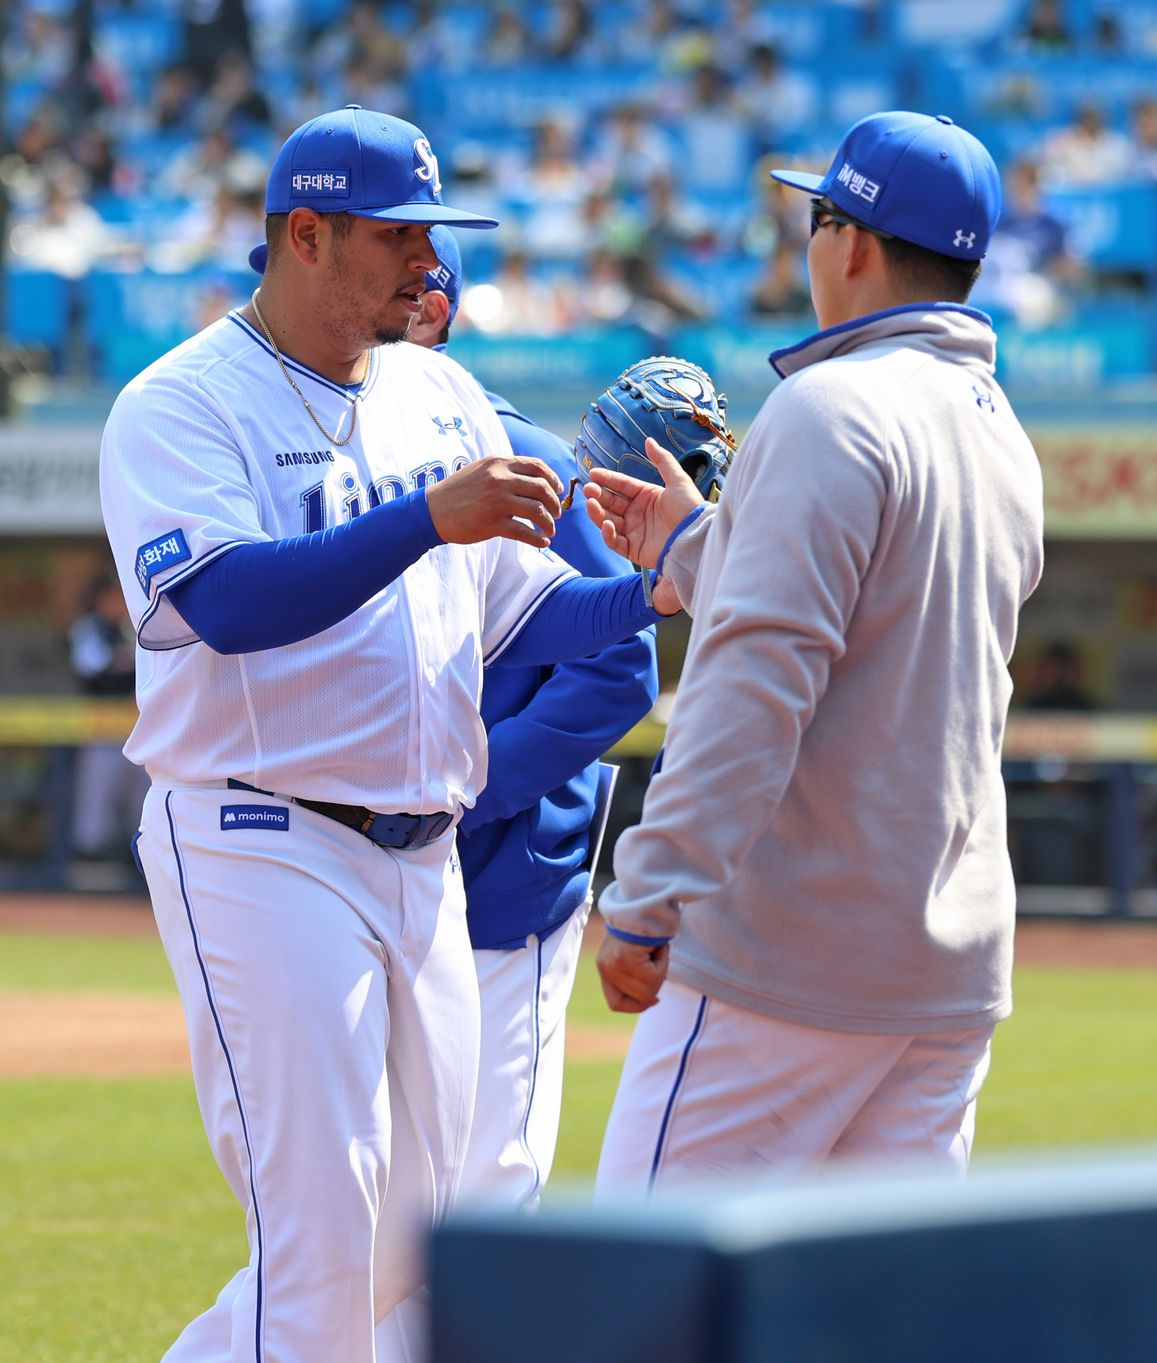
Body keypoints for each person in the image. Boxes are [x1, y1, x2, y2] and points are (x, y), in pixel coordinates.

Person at [99, 106, 693, 1362]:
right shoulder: (179, 403)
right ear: (305, 234)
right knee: (324, 1239)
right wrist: (426, 517)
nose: (428, 259)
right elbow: (226, 602)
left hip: (423, 861)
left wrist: (651, 591)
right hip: (264, 835)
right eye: (397, 233)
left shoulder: (438, 390)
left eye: (433, 232)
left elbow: (528, 612)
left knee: (419, 1240)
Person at [584, 111, 1044, 1189]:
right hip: (942, 975)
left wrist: (650, 890)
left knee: (645, 1283)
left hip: (786, 962)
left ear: (852, 242)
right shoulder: (997, 429)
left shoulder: (830, 405)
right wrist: (696, 546)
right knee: (867, 1289)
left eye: (816, 219)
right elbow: (878, 632)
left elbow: (755, 680)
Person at [403, 228, 661, 1209]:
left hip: (505, 870)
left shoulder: (525, 458)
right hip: (366, 866)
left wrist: (467, 789)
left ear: (430, 310)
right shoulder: (331, 456)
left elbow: (620, 666)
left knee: (486, 1189)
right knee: (365, 1196)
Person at [68, 573, 146, 863]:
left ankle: (135, 857)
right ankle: (89, 859)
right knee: (96, 798)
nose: (119, 602)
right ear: (101, 598)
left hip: (133, 726)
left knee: (140, 794)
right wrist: (123, 660)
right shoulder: (88, 627)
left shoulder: (129, 625)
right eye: (113, 596)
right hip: (100, 726)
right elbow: (93, 668)